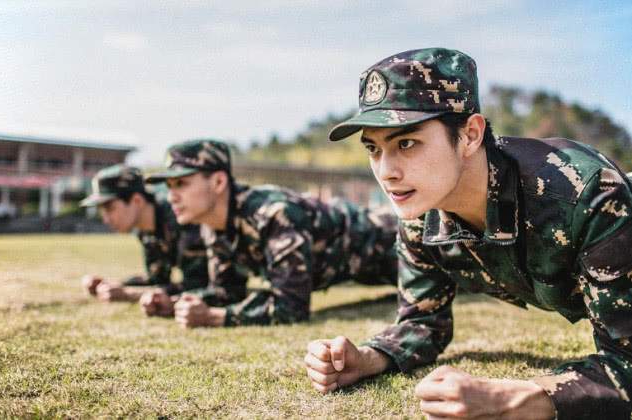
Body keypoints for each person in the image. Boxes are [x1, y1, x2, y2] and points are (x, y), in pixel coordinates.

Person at [303, 47, 632, 419]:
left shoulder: (589, 196)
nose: (387, 172)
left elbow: (627, 363)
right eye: (373, 149)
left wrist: (517, 397)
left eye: (406, 143)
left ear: (471, 135)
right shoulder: (420, 212)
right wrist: (368, 358)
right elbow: (423, 323)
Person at [145, 139, 398, 328]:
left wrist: (214, 317)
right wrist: (175, 301)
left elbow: (291, 307)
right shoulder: (215, 226)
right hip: (365, 268)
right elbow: (227, 292)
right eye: (169, 187)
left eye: (181, 183)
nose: (171, 196)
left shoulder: (273, 213)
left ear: (219, 182)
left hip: (393, 241)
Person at [79, 164, 238, 315]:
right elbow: (157, 278)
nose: (106, 219)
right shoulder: (146, 230)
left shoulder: (182, 218)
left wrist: (130, 294)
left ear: (137, 201)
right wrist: (114, 285)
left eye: (110, 208)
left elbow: (198, 283)